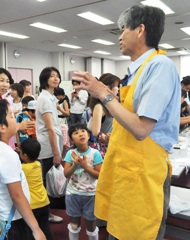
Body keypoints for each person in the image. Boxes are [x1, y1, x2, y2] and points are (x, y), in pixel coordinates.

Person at [73, 5, 181, 239]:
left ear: (140, 30)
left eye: (123, 29)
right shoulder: (139, 70)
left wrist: (102, 92)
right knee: (119, 231)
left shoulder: (159, 66)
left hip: (143, 174)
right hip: (128, 171)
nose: (120, 36)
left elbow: (142, 128)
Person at [0, 100, 46, 240]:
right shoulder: (6, 154)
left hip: (1, 214)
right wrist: (36, 228)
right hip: (12, 219)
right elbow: (17, 196)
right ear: (2, 127)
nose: (15, 119)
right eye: (11, 116)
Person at [0, 67, 35, 151]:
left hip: (9, 144)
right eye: (2, 80)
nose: (5, 84)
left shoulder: (6, 100)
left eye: (7, 81)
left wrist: (22, 128)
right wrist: (17, 127)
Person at [64, 124, 102, 240]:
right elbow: (66, 174)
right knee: (74, 225)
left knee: (91, 225)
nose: (80, 134)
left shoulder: (95, 153)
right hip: (73, 194)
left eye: (83, 131)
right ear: (71, 139)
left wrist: (85, 166)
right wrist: (75, 165)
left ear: (88, 134)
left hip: (91, 195)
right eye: (75, 133)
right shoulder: (70, 154)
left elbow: (99, 175)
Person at [36, 67, 63, 223]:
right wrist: (57, 153)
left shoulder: (51, 97)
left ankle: (45, 214)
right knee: (45, 182)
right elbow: (50, 129)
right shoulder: (45, 99)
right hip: (48, 147)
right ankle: (45, 215)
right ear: (44, 79)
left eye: (57, 76)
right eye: (52, 76)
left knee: (47, 181)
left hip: (51, 145)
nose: (55, 78)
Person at [20, 138, 54, 240]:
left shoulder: (22, 168)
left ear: (25, 156)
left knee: (31, 230)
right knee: (45, 226)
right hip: (43, 201)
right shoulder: (38, 164)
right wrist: (22, 152)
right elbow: (28, 160)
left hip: (32, 205)